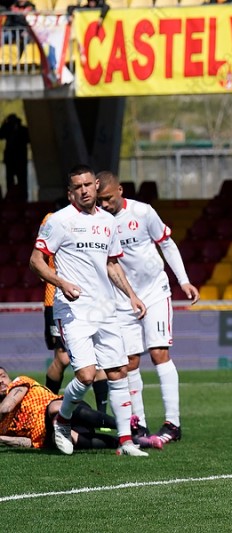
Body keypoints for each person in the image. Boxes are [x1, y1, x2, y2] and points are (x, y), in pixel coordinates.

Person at [29, 164, 149, 457]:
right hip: (73, 309)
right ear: (70, 191)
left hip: (105, 307)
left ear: (96, 185)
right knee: (85, 375)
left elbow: (112, 264)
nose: (83, 191)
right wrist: (61, 282)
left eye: (87, 185)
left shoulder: (108, 221)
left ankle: (126, 442)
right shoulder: (59, 221)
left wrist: (132, 296)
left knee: (118, 371)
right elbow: (35, 261)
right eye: (77, 187)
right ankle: (63, 420)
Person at [96, 171, 199, 444]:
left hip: (154, 292)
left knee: (158, 352)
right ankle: (138, 424)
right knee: (130, 360)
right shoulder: (98, 222)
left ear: (120, 190)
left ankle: (173, 423)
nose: (104, 204)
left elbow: (167, 243)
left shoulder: (143, 212)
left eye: (108, 198)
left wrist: (184, 281)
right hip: (122, 298)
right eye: (100, 200)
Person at [39, 197, 110, 414]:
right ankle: (46, 406)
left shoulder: (97, 221)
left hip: (91, 300)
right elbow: (39, 261)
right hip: (57, 300)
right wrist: (58, 280)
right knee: (62, 359)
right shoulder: (52, 219)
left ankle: (102, 416)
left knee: (98, 359)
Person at [0, 366, 139, 450]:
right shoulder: (2, 427)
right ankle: (129, 441)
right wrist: (3, 439)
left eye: (3, 376)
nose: (1, 381)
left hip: (70, 411)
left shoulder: (19, 383)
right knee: (60, 439)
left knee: (54, 409)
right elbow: (29, 443)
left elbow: (6, 407)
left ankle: (125, 425)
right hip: (50, 432)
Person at [0, 113, 30, 200]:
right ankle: (15, 197)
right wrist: (4, 125)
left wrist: (4, 124)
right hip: (15, 159)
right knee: (13, 180)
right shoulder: (14, 130)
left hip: (17, 159)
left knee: (20, 180)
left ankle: (22, 198)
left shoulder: (22, 130)